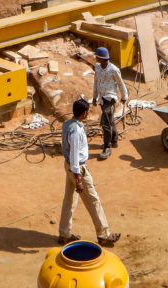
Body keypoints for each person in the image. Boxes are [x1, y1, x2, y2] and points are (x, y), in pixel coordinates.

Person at [57, 98, 121, 247]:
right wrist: (78, 177)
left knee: (69, 200)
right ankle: (104, 234)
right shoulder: (77, 130)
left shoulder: (68, 124)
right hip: (77, 168)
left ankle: (64, 233)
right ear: (84, 113)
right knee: (93, 200)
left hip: (69, 166)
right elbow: (74, 154)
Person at [92, 47, 128, 160]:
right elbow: (96, 82)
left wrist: (124, 96)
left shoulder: (113, 69)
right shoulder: (97, 67)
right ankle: (114, 140)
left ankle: (107, 147)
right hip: (102, 98)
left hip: (110, 98)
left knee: (105, 123)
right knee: (110, 120)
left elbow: (121, 84)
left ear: (101, 58)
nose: (95, 58)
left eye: (97, 56)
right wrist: (94, 97)